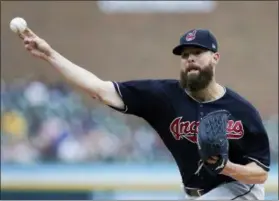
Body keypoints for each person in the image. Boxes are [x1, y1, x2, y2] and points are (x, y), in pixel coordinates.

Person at [19, 28, 270, 200]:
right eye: (185, 55)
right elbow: (99, 89)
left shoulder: (241, 110)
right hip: (195, 192)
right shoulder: (162, 96)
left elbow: (260, 173)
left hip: (240, 190)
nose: (190, 58)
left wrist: (227, 167)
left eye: (198, 52)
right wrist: (50, 54)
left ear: (215, 58)